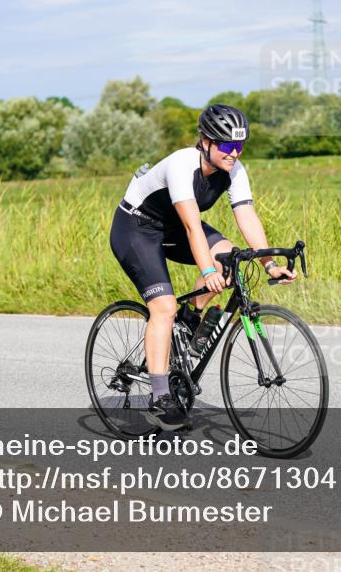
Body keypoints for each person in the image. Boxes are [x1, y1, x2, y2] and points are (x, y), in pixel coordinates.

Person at [110, 104, 297, 431]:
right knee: (164, 307)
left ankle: (190, 317)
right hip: (136, 229)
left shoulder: (234, 169)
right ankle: (159, 396)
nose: (234, 153)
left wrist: (269, 264)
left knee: (229, 256)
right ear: (205, 142)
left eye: (240, 145)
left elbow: (247, 216)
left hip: (174, 229)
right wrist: (207, 272)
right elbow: (193, 227)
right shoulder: (182, 165)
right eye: (226, 145)